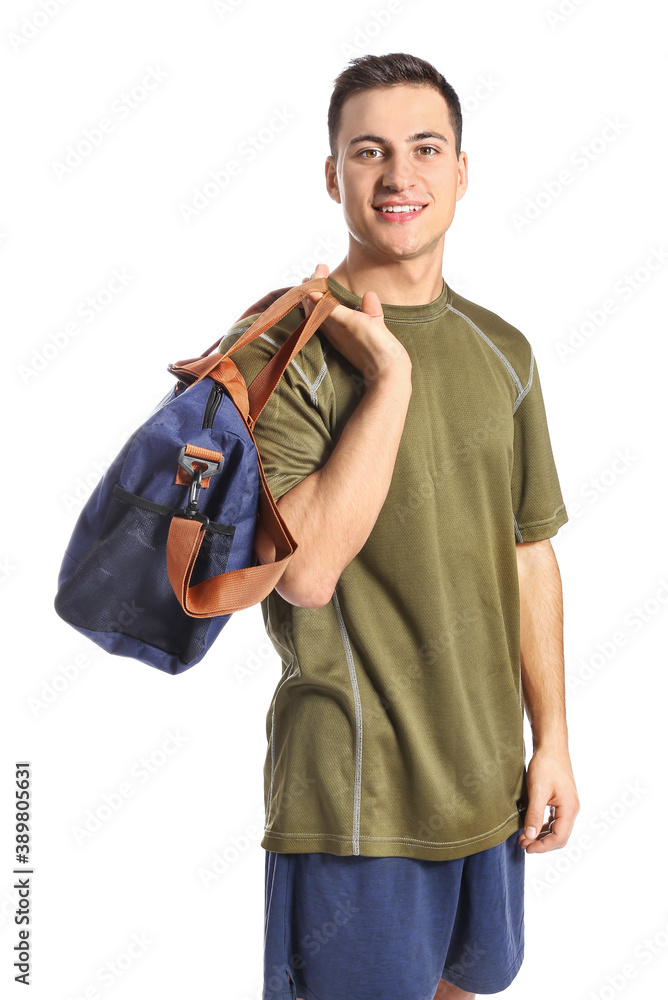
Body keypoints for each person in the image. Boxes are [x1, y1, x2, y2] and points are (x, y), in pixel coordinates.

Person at [217, 52, 580, 1000]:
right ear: (332, 175)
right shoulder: (279, 347)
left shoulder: (505, 351)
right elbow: (306, 573)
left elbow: (527, 550)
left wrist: (554, 742)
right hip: (354, 798)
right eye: (368, 151)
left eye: (425, 147)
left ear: (463, 172)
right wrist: (389, 381)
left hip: (488, 787)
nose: (398, 175)